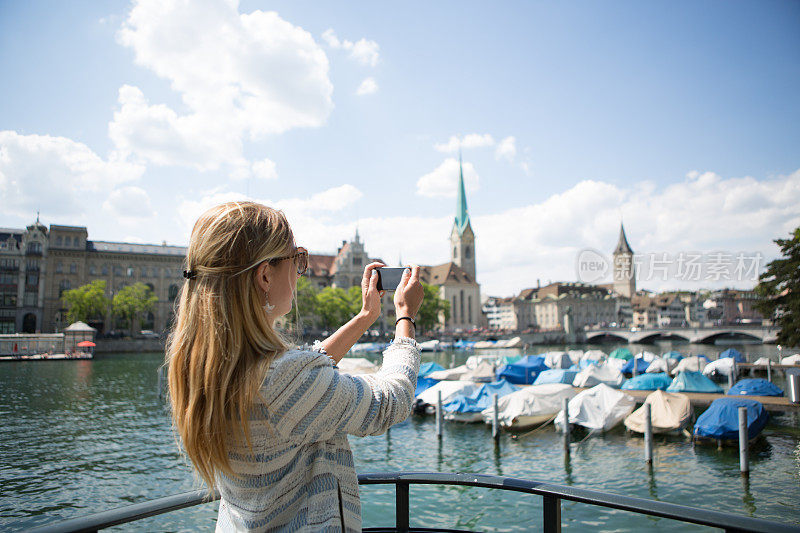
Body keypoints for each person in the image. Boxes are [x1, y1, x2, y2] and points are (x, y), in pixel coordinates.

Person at [166, 201, 424, 532]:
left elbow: (303, 375)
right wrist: (405, 316)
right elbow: (392, 402)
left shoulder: (207, 365)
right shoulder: (282, 379)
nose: (300, 271)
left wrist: (365, 317)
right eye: (296, 259)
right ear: (264, 275)